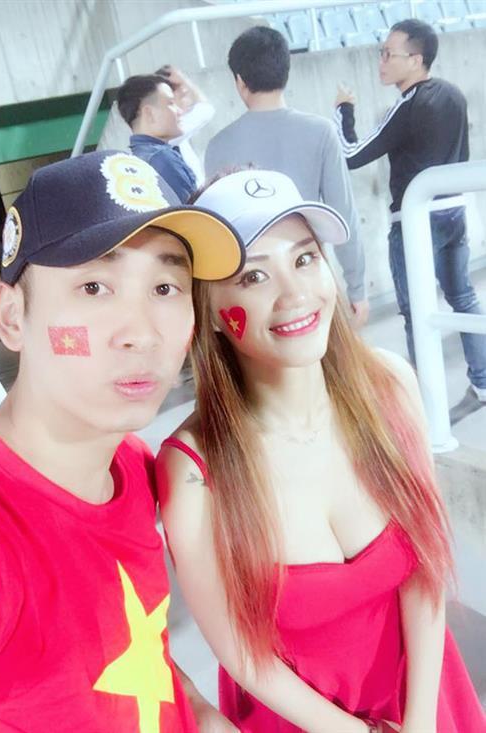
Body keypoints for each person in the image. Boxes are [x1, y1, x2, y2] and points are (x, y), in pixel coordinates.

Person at [156, 169, 486, 733]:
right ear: (208, 310)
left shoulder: (389, 387)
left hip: (425, 700)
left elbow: (425, 568)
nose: (296, 295)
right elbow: (243, 655)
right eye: (254, 276)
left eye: (305, 258)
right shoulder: (193, 472)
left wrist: (420, 721)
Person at [0, 150, 246, 732]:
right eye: (95, 286)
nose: (142, 334)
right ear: (12, 316)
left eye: (166, 286)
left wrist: (202, 714)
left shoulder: (129, 462)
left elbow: (136, 647)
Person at [334, 18, 486, 403]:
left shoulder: (409, 104)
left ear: (416, 60)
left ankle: (427, 401)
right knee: (463, 297)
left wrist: (343, 111)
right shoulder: (453, 95)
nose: (381, 61)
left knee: (416, 313)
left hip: (415, 223)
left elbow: (351, 154)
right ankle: (484, 380)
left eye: (388, 54)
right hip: (454, 214)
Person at [205, 26, 369, 328]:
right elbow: (344, 215)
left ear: (240, 81)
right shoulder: (320, 131)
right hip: (309, 273)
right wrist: (357, 288)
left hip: (252, 290)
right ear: (286, 71)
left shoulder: (218, 146)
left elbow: (218, 234)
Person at [116, 75, 197, 203]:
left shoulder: (137, 160)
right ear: (149, 113)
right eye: (171, 103)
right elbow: (193, 211)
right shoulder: (161, 158)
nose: (179, 111)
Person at [155, 65, 215, 186]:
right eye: (183, 94)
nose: (188, 99)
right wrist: (184, 80)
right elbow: (207, 110)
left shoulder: (170, 131)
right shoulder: (170, 132)